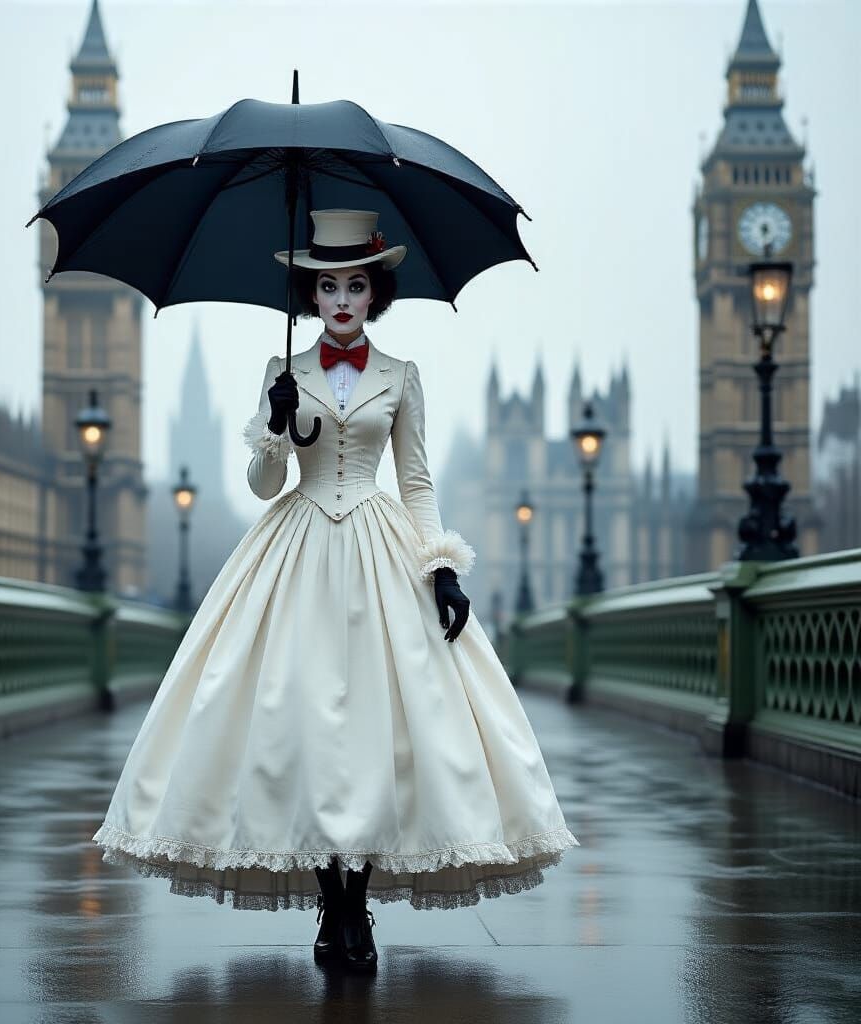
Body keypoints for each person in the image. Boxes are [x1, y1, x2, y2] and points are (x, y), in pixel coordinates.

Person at [92, 209, 579, 975]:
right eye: (328, 287)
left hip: (380, 549)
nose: (342, 299)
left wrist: (441, 567)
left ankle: (357, 900)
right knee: (304, 726)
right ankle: (335, 903)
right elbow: (264, 485)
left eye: (355, 285)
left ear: (374, 292)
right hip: (299, 549)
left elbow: (415, 482)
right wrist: (276, 425)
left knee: (377, 730)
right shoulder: (281, 371)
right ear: (310, 296)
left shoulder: (401, 375)